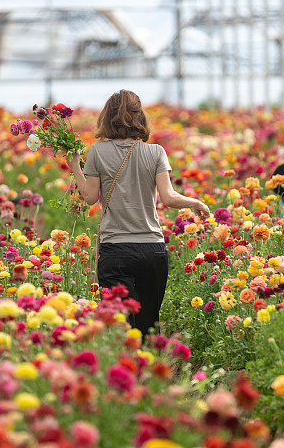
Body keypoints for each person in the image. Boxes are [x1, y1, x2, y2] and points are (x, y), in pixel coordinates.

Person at [67, 90, 210, 335]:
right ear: (140, 117)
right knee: (146, 327)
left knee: (120, 327)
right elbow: (168, 197)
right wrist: (195, 203)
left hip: (116, 251)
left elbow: (90, 197)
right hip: (151, 250)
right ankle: (145, 369)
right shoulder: (156, 152)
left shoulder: (98, 152)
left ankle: (123, 369)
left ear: (107, 118)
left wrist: (75, 167)